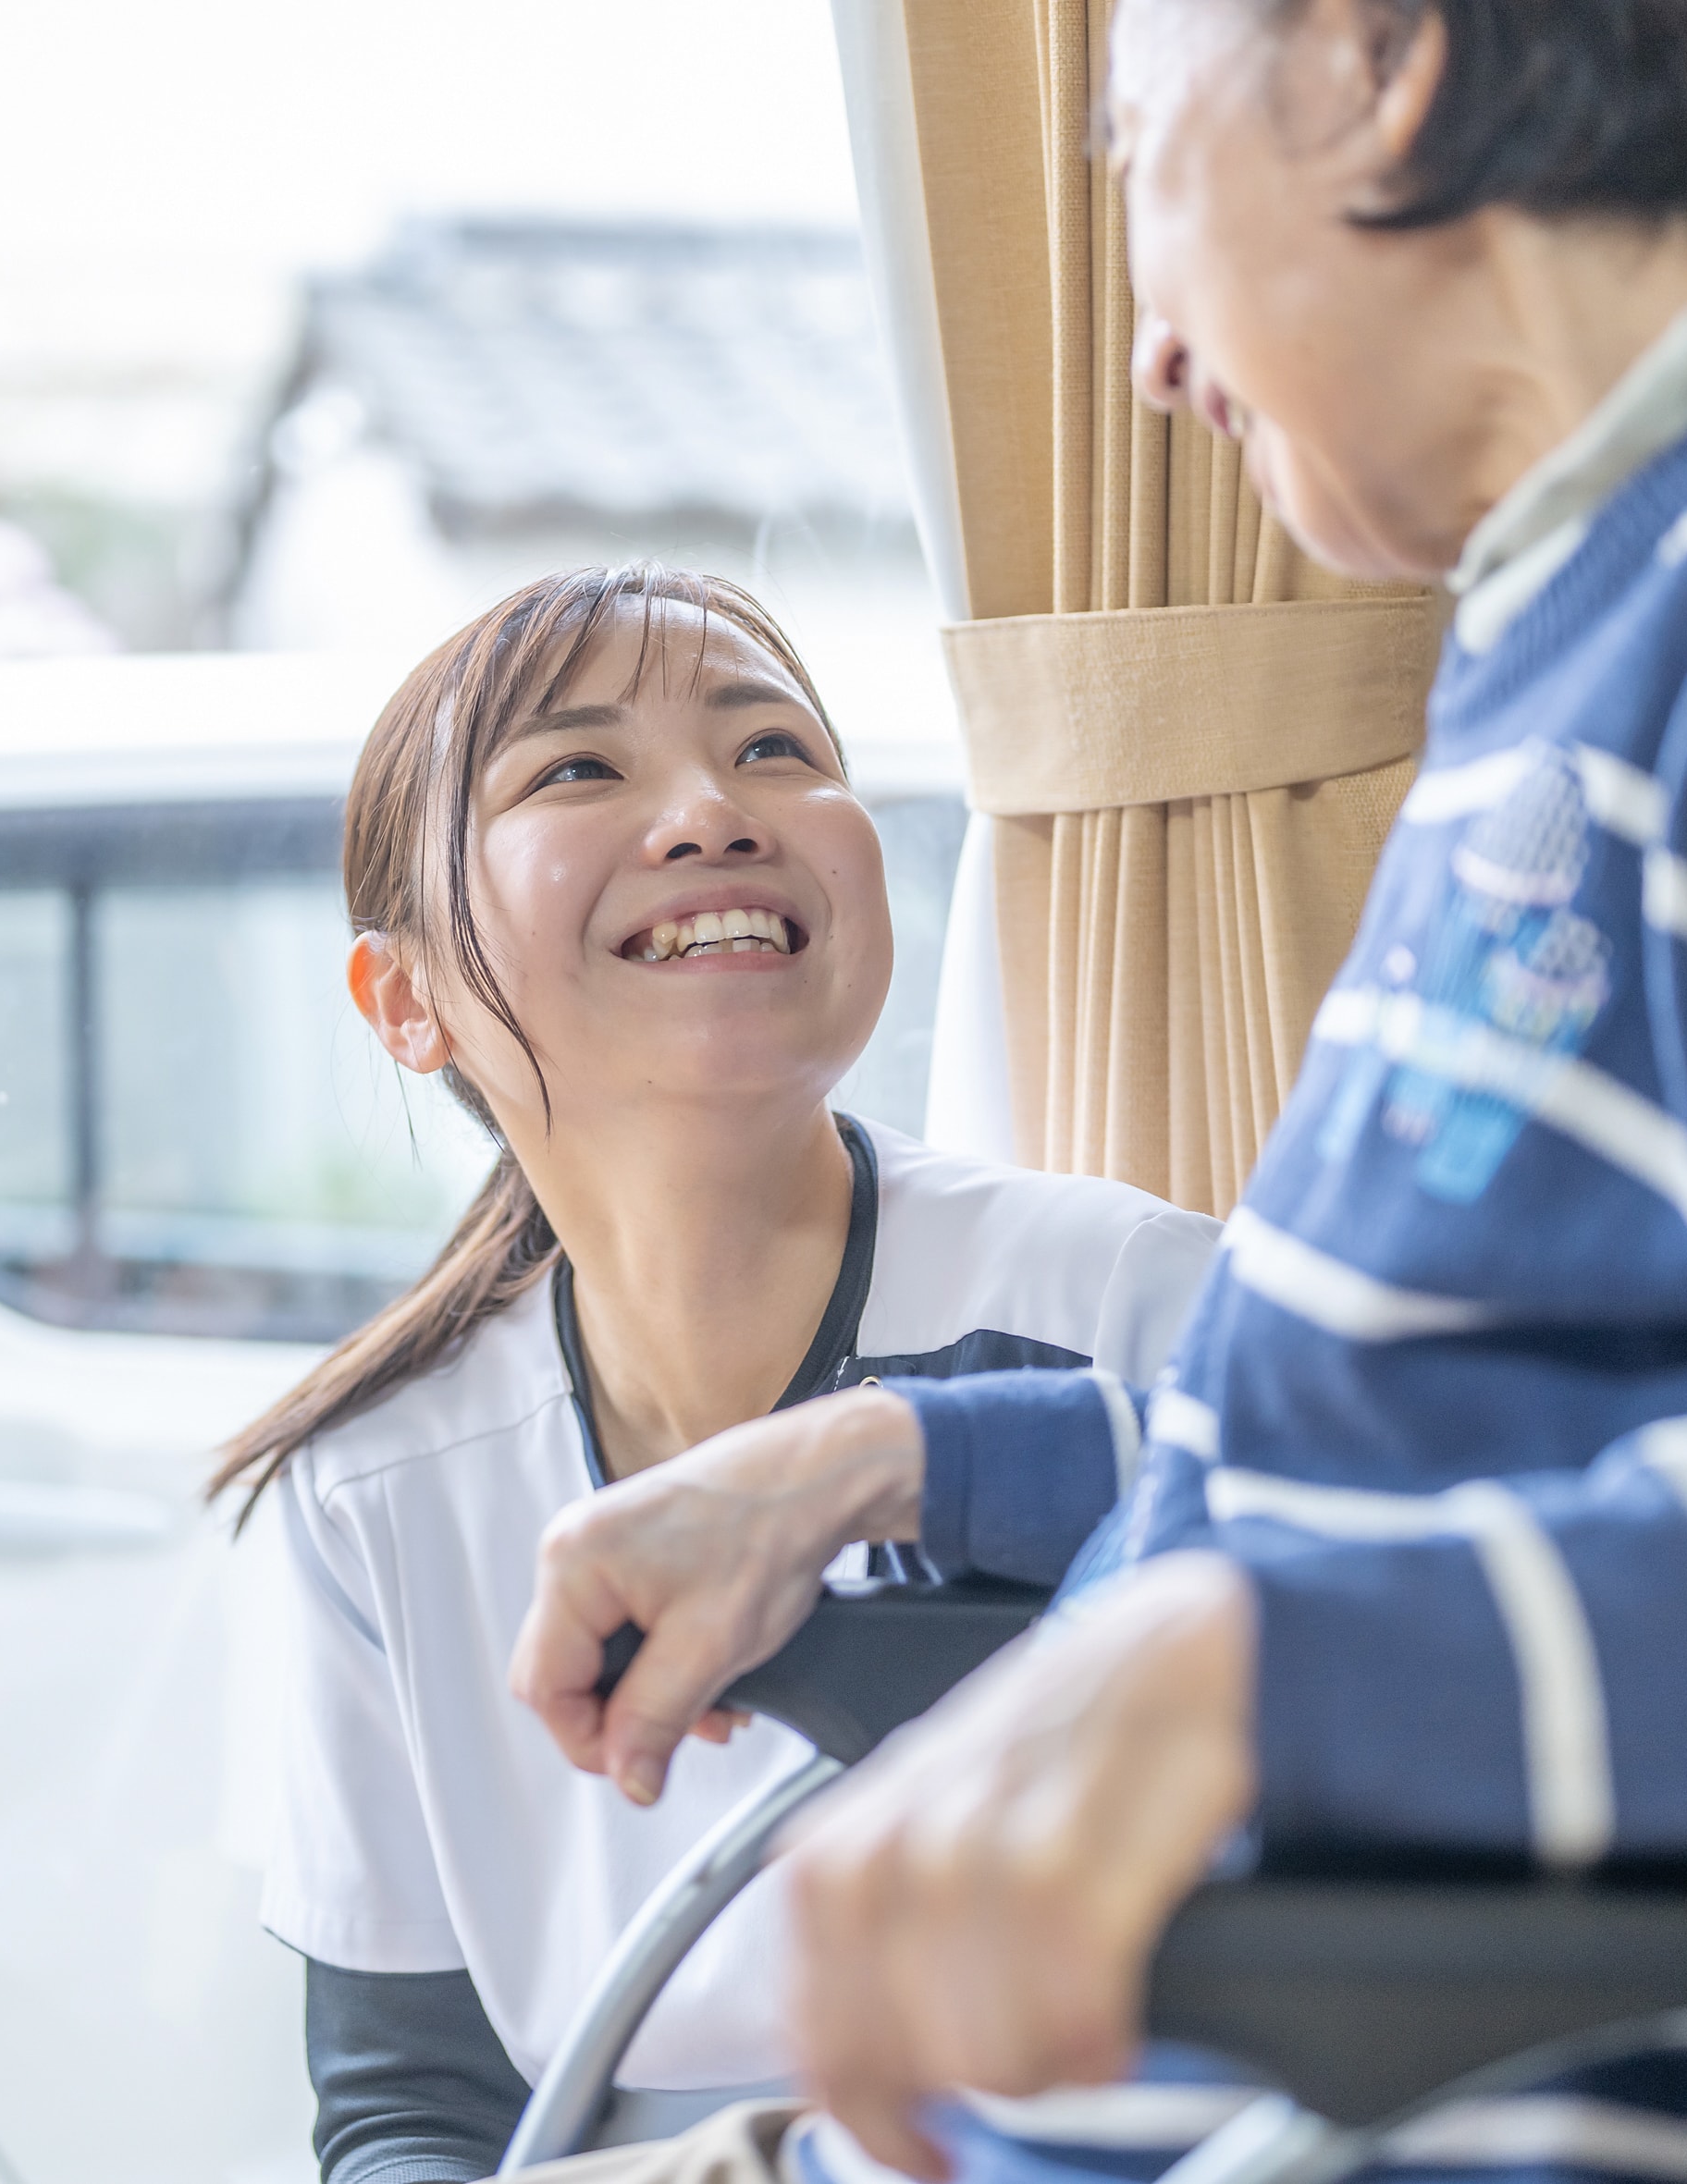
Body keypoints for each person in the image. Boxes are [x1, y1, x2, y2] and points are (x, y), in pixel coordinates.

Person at [504, 2, 1687, 2180]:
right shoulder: (1571, 637)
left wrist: (1231, 1664)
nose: (1143, 348)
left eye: (1133, 148)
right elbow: (1458, 1445)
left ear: (1369, 59)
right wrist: (883, 1459)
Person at [224, 566, 1225, 2184]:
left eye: (772, 747)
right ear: (403, 999)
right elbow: (415, 2110)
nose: (712, 812)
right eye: (578, 768)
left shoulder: (1122, 1300)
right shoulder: (377, 1482)